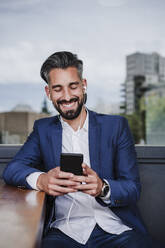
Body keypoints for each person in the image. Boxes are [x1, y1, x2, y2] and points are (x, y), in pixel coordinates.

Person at [3, 51, 154, 248]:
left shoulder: (116, 126)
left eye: (73, 86)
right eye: (58, 89)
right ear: (48, 93)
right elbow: (13, 169)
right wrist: (42, 180)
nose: (66, 96)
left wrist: (103, 188)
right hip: (64, 231)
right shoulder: (43, 130)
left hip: (115, 229)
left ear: (83, 85)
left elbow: (132, 188)